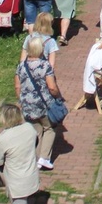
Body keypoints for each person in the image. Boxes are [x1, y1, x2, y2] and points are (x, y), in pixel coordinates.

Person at [16, 36, 65, 170]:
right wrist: (59, 97)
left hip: (27, 105)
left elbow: (17, 86)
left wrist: (22, 100)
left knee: (36, 130)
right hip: (43, 105)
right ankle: (44, 158)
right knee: (50, 128)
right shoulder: (45, 66)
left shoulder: (21, 66)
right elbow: (52, 87)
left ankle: (36, 158)